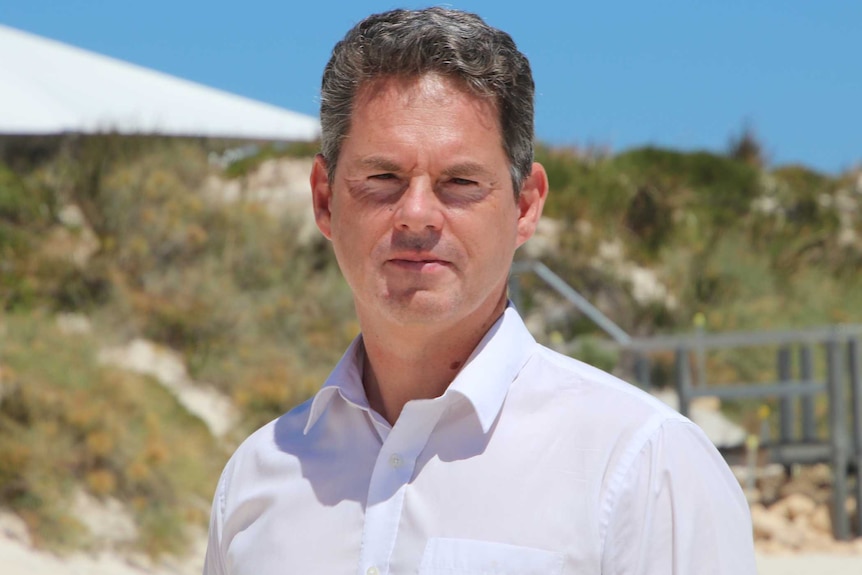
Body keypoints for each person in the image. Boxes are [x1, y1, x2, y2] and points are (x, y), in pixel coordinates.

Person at [203, 7, 756, 574]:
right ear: (324, 200)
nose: (416, 215)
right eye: (383, 178)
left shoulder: (644, 465)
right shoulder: (256, 478)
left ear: (525, 205)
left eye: (460, 182)